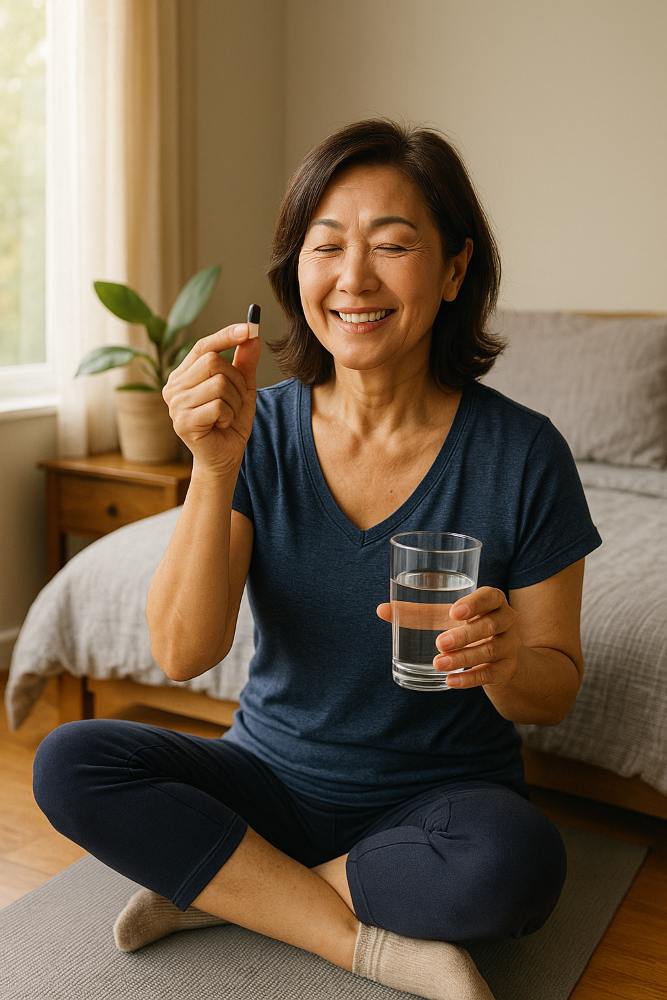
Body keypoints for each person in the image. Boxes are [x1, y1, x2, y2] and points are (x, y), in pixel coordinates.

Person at [32, 118, 602, 1000]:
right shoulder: (256, 433)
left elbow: (555, 686)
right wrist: (213, 466)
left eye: (392, 246)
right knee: (69, 762)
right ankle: (361, 940)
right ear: (297, 270)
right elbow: (184, 654)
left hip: (436, 801)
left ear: (454, 270)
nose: (353, 279)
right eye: (325, 246)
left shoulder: (524, 454)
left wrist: (505, 660)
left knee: (516, 863)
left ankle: (228, 891)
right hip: (265, 781)